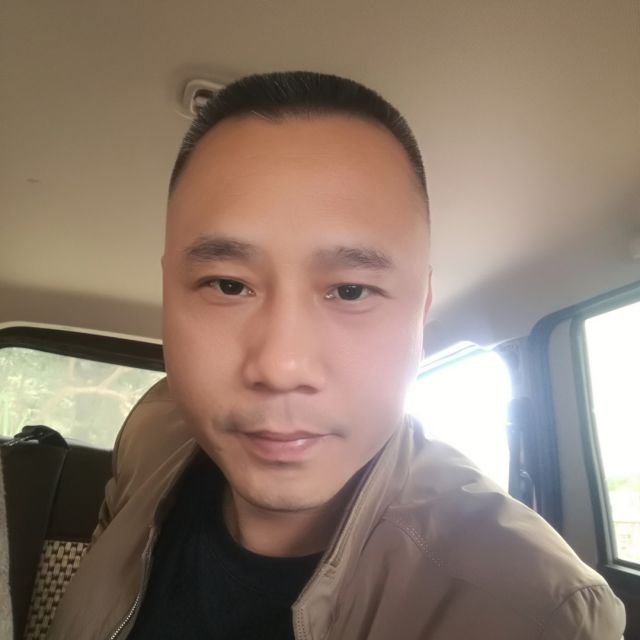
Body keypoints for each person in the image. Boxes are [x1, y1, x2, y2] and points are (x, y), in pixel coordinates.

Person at [47, 71, 625, 640]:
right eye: (228, 285)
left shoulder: (540, 615)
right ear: (168, 292)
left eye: (350, 291)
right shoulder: (153, 429)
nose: (281, 367)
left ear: (420, 310)